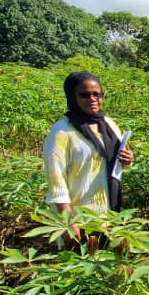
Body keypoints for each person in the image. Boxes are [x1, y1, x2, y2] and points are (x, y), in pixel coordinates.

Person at [43, 72, 134, 251]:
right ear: (72, 96)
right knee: (81, 269)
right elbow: (56, 180)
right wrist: (68, 221)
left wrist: (127, 159)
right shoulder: (61, 131)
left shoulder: (108, 123)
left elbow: (113, 160)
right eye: (84, 95)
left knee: (108, 268)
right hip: (78, 217)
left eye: (97, 94)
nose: (92, 99)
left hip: (109, 212)